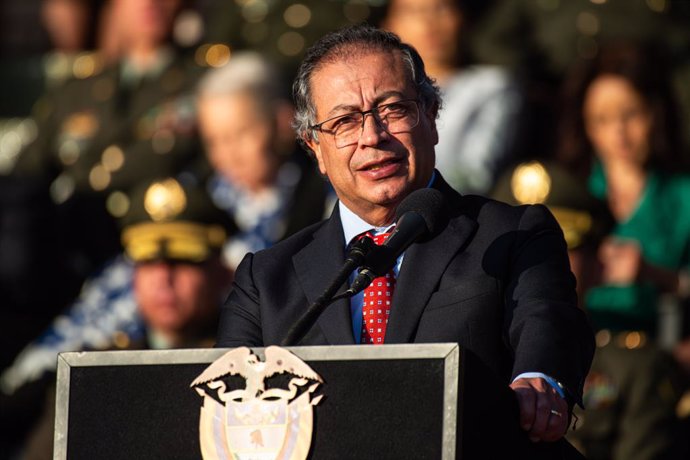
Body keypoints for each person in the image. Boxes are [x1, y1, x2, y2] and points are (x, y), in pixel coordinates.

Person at [216, 24, 594, 458]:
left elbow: (546, 317)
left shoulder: (511, 234)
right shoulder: (266, 278)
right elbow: (224, 409)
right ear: (314, 148)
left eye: (393, 109)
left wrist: (540, 380)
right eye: (343, 122)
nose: (372, 136)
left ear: (432, 117)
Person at [1, 176, 236, 459]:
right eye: (148, 262)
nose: (163, 277)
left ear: (223, 272)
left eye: (183, 261)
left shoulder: (249, 367)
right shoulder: (95, 375)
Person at [556, 40, 688, 460]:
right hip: (580, 365)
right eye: (602, 119)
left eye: (630, 115)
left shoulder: (683, 197)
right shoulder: (568, 194)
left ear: (656, 112)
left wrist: (655, 275)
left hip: (657, 372)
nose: (618, 134)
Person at [196, 51, 333, 270]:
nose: (228, 155)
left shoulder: (321, 196)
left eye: (241, 134)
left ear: (282, 122)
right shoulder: (200, 204)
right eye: (214, 141)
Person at [380, 0, 523, 194]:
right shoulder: (371, 94)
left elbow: (475, 174)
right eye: (413, 12)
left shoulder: (492, 87)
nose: (429, 23)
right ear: (388, 24)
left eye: (441, 9)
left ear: (462, 18)